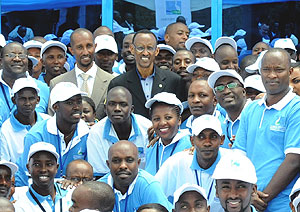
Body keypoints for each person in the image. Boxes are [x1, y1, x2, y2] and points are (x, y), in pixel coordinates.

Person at [232, 48, 300, 212]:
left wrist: (263, 197)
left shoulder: (296, 108)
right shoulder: (251, 108)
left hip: (282, 204)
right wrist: (246, 194)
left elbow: (293, 161)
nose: (272, 75)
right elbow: (239, 154)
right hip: (250, 202)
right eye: (266, 70)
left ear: (290, 72)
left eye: (279, 69)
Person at [15, 82, 89, 186]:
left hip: (73, 190)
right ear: (55, 107)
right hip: (33, 190)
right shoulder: (36, 135)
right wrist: (60, 184)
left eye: (79, 102)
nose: (77, 107)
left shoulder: (87, 133)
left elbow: (89, 174)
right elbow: (28, 176)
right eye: (70, 103)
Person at [155, 114, 228, 212]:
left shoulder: (231, 163)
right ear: (192, 140)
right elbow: (154, 193)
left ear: (222, 140)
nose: (207, 143)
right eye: (201, 137)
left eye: (213, 137)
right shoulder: (177, 161)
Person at [108, 29, 185, 119]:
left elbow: (180, 113)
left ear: (156, 51)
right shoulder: (118, 83)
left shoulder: (174, 80)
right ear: (132, 49)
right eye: (140, 48)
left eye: (150, 48)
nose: (145, 53)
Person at [49, 28, 114, 120]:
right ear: (71, 50)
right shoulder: (57, 83)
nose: (85, 52)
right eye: (80, 47)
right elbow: (53, 119)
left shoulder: (112, 81)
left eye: (89, 46)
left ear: (95, 47)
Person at [87, 86, 151, 177]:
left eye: (123, 104)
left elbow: (151, 170)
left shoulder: (147, 128)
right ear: (105, 108)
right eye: (112, 104)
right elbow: (100, 174)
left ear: (131, 109)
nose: (117, 108)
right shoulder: (96, 133)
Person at [99, 140, 172, 211]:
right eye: (116, 161)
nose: (123, 166)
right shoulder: (99, 188)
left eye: (129, 160)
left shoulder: (149, 185)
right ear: (108, 164)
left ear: (138, 163)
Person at [0, 78, 49, 163]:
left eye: (31, 98)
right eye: (22, 99)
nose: (27, 103)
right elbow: (5, 164)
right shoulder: (6, 130)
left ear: (38, 100)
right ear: (14, 100)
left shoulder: (48, 122)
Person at [14, 142, 73, 211]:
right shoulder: (21, 206)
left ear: (56, 168)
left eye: (49, 164)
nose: (43, 169)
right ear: (28, 168)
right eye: (37, 164)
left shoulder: (71, 193)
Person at [144, 92, 191, 175]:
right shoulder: (151, 148)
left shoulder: (190, 146)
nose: (162, 123)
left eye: (168, 118)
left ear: (179, 120)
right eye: (156, 119)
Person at [0, 42, 50, 115]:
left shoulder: (42, 88)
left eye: (22, 55)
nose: (17, 59)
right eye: (11, 55)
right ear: (1, 61)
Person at [208, 69, 249, 148]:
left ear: (244, 91)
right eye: (219, 88)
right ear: (215, 97)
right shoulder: (219, 125)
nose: (226, 91)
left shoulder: (257, 115)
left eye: (232, 85)